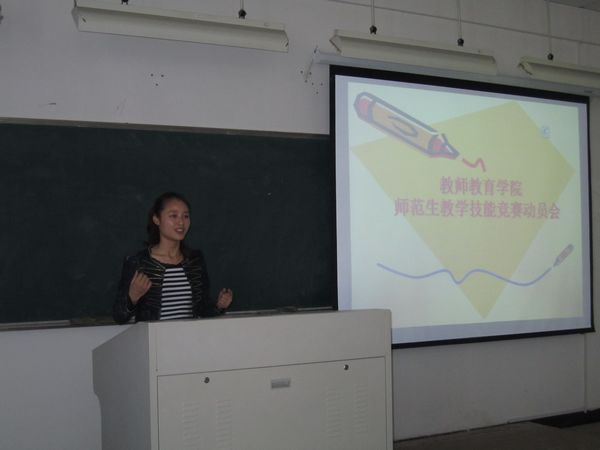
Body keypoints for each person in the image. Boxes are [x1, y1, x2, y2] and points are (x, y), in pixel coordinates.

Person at [113, 191, 233, 324]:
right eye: (173, 216)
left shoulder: (195, 260)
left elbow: (202, 308)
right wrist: (132, 297)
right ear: (156, 219)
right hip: (155, 337)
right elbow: (119, 317)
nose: (181, 222)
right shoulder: (138, 262)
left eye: (185, 216)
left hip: (190, 335)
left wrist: (219, 306)